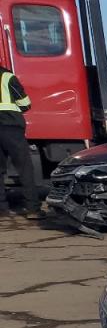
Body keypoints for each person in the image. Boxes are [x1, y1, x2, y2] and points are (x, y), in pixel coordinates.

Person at [0, 64, 40, 219]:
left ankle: (2, 210)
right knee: (24, 169)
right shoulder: (7, 76)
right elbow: (25, 103)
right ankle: (32, 209)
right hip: (11, 128)